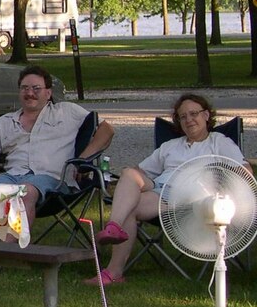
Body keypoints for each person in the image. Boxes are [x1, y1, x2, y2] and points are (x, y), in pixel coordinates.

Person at [87, 93, 247, 286]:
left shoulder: (218, 142)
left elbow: (244, 170)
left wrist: (224, 187)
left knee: (130, 207)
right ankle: (114, 231)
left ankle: (113, 269)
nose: (189, 119)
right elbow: (141, 171)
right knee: (129, 174)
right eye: (183, 116)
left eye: (193, 114)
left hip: (191, 196)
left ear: (206, 115)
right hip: (162, 190)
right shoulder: (171, 146)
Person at [0, 65, 114, 227]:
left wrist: (83, 159)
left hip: (53, 181)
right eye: (25, 88)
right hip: (12, 176)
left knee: (26, 192)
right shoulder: (6, 122)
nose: (30, 93)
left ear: (48, 93)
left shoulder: (66, 112)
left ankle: (10, 250)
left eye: (36, 88)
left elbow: (106, 130)